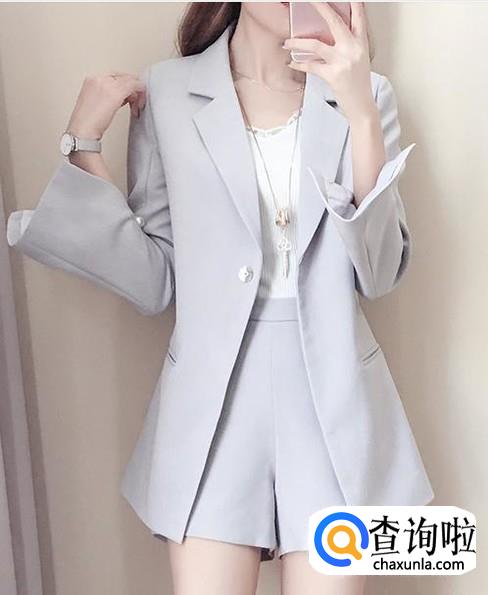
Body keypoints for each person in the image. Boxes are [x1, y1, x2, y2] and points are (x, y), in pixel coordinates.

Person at [6, 2, 434, 594]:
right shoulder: (169, 92)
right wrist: (84, 145)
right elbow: (156, 278)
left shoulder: (367, 94)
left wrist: (360, 110)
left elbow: (380, 273)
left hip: (334, 404)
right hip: (213, 409)